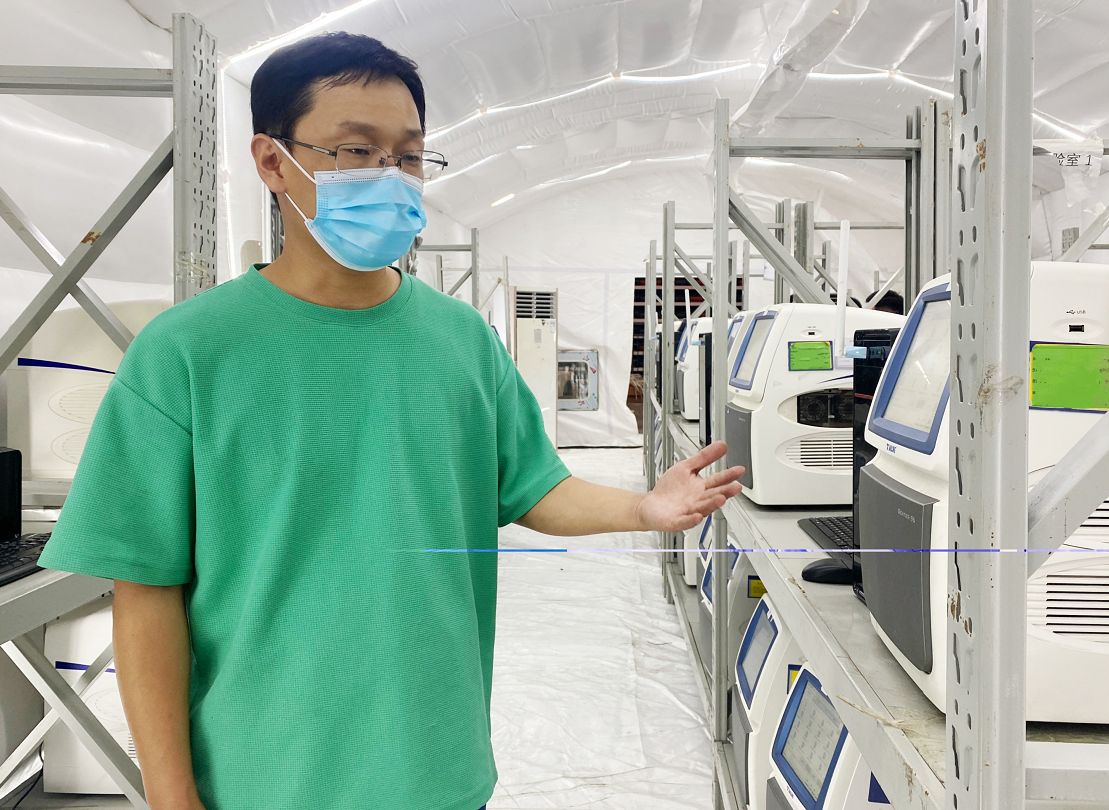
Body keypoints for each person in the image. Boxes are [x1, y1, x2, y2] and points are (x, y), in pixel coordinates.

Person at [35, 33, 744, 810]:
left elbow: (534, 487)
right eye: (354, 151)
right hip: (264, 776)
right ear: (272, 161)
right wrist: (173, 797)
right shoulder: (188, 353)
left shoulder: (460, 340)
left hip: (436, 767)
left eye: (407, 156)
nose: (389, 175)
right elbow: (145, 590)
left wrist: (643, 509)